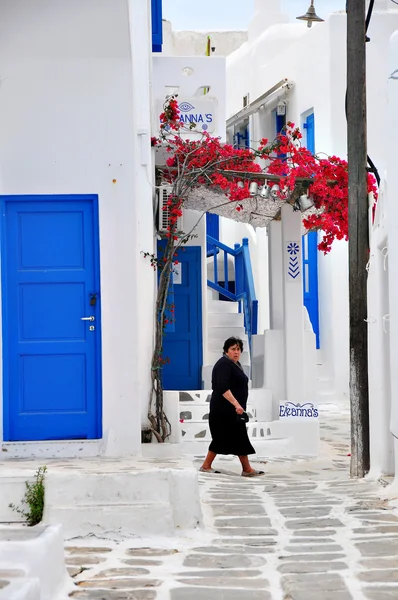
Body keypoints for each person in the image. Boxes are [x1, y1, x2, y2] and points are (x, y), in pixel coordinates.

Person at [200, 336, 265, 477]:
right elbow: (223, 387)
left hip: (233, 410)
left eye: (238, 349)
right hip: (224, 409)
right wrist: (236, 404)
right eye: (233, 349)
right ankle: (244, 469)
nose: (236, 352)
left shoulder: (234, 365)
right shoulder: (224, 364)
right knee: (228, 437)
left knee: (234, 437)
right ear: (226, 351)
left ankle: (243, 469)